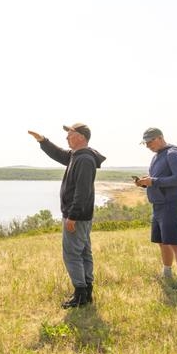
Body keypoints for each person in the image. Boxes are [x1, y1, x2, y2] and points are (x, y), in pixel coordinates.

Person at [28, 123, 106, 308]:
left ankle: (80, 294)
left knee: (72, 254)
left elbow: (82, 190)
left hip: (77, 216)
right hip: (81, 215)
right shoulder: (76, 156)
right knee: (84, 253)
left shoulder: (84, 160)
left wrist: (72, 216)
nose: (66, 138)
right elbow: (60, 154)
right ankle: (86, 293)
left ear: (80, 137)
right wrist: (43, 140)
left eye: (69, 135)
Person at [134, 127, 177, 294]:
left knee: (175, 243)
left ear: (160, 138)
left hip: (171, 204)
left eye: (150, 142)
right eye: (145, 143)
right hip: (158, 205)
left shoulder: (173, 153)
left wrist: (153, 181)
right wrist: (145, 182)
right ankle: (166, 274)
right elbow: (158, 180)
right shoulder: (157, 156)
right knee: (162, 242)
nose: (147, 146)